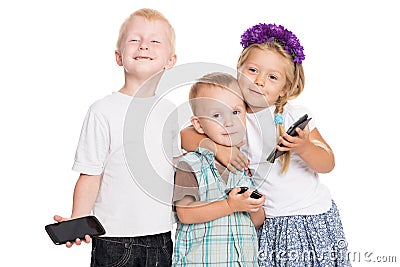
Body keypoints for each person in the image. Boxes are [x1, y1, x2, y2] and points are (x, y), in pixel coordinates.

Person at [181, 23, 351, 266]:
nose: (259, 81)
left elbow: (327, 163)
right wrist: (219, 149)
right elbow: (186, 135)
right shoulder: (233, 115)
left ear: (284, 89)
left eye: (272, 77)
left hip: (312, 217)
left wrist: (304, 147)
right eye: (252, 70)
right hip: (268, 221)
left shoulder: (294, 115)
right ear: (238, 70)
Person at [53, 8, 180, 266]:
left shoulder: (170, 112)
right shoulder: (103, 111)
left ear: (171, 60)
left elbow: (177, 169)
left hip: (161, 237)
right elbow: (91, 174)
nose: (144, 45)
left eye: (155, 41)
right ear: (119, 56)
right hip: (113, 239)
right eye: (135, 39)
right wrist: (79, 217)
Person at [172, 72, 265, 266]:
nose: (229, 122)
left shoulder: (244, 164)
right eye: (216, 115)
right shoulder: (190, 165)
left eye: (236, 112)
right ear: (198, 124)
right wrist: (230, 205)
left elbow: (255, 221)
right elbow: (185, 213)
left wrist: (253, 206)